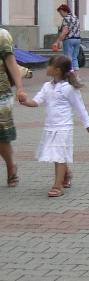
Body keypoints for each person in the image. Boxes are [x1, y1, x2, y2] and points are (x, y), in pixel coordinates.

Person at [19, 54, 89, 198]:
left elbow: (80, 107)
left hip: (64, 127)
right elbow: (37, 101)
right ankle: (67, 174)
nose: (47, 68)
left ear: (57, 70)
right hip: (50, 127)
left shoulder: (69, 88)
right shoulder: (47, 86)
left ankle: (57, 185)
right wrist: (25, 101)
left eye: (49, 65)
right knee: (56, 154)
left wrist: (88, 124)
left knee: (59, 155)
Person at [0, 28, 29, 188]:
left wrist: (20, 88)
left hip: (1, 94)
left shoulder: (2, 35)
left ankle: (11, 164)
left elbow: (11, 63)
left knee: (2, 137)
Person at [53, 4, 82, 79]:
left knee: (68, 58)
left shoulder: (66, 19)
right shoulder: (75, 17)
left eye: (61, 12)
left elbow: (65, 32)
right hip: (77, 39)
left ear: (65, 11)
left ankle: (70, 75)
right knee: (75, 57)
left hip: (69, 39)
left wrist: (57, 41)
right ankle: (77, 75)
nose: (61, 15)